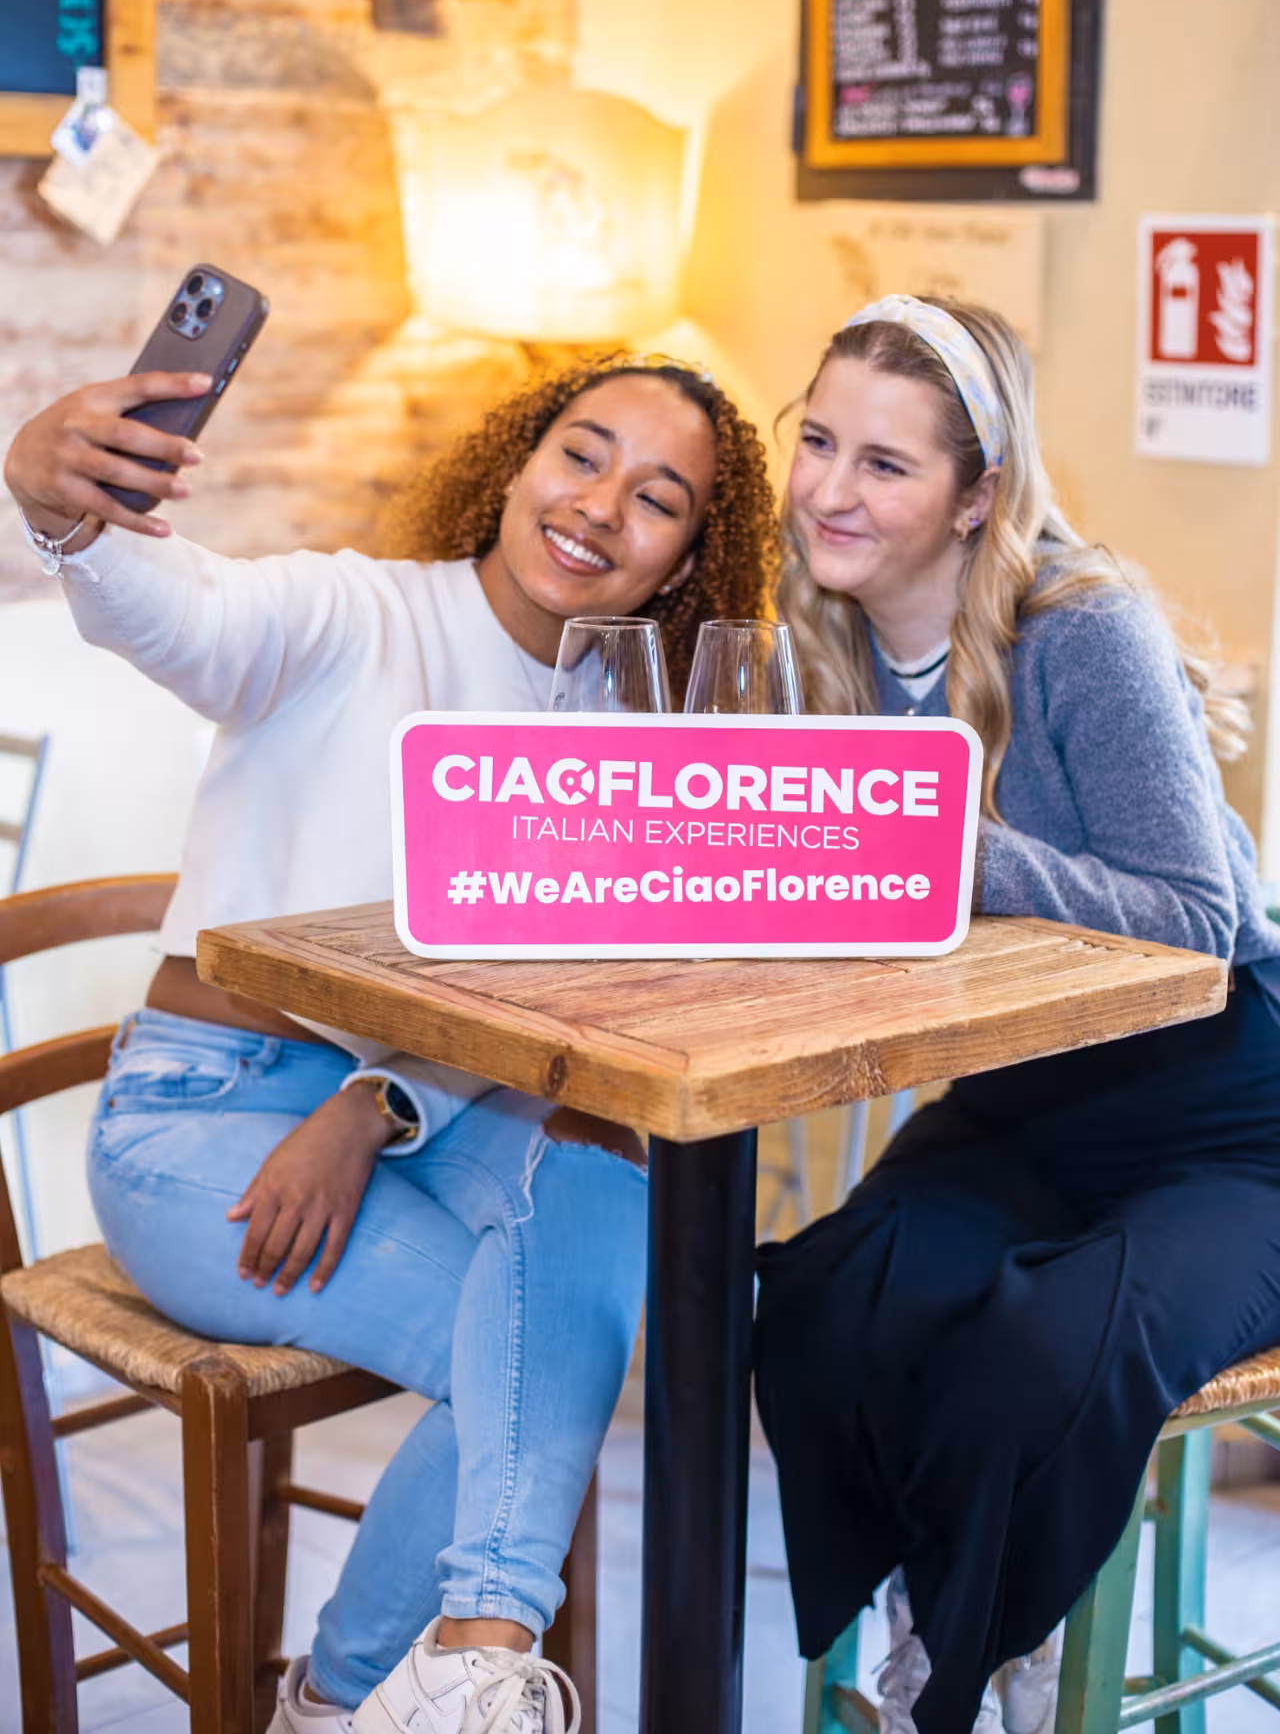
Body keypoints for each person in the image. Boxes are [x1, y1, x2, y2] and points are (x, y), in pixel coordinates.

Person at [4, 353, 778, 1734]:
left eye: (657, 499)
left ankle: (406, 1680)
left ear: (682, 562)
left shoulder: (628, 730)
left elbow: (541, 1006)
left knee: (610, 1193)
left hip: (427, 1121)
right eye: (581, 454)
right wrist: (66, 514)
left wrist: (369, 1104)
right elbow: (183, 613)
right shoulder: (352, 614)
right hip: (199, 1118)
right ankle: (374, 1690)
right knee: (545, 1351)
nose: (600, 506)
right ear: (515, 461)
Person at [753, 296, 1280, 1734]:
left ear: (978, 495)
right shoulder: (823, 647)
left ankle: (992, 1637)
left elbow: (1200, 920)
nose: (828, 490)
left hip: (1232, 1113)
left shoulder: (1080, 627)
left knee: (1040, 1359)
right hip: (1026, 1097)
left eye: (884, 464)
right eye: (818, 442)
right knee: (824, 1306)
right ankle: (956, 1604)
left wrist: (929, 827)